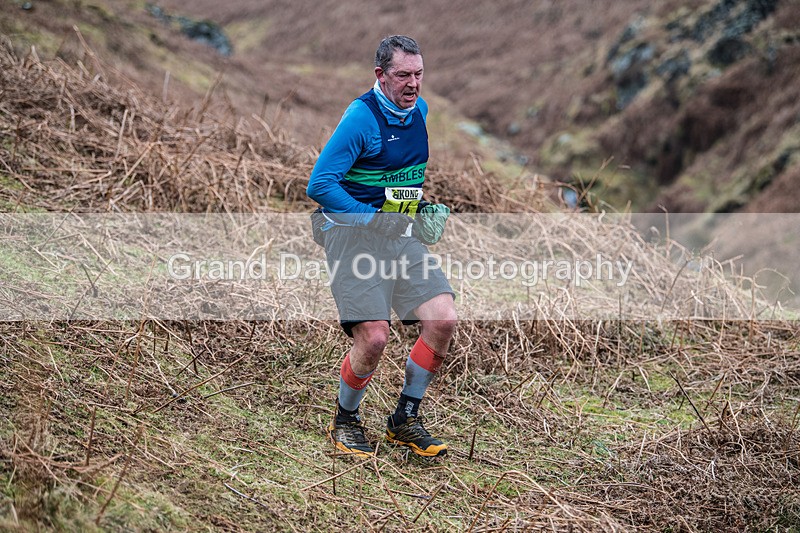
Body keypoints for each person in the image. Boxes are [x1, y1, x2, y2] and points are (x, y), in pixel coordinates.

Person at [306, 35, 456, 458]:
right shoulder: (361, 119)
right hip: (352, 237)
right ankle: (345, 420)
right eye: (403, 75)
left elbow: (398, 178)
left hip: (397, 234)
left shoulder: (419, 111)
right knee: (373, 339)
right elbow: (319, 185)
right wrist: (373, 219)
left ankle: (404, 420)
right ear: (381, 75)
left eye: (419, 74)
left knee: (442, 319)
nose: (413, 84)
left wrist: (420, 207)